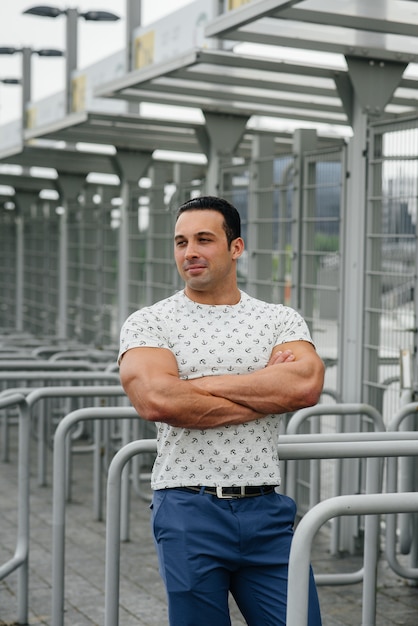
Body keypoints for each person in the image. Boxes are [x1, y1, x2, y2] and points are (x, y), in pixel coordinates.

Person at [118, 195, 325, 626]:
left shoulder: (278, 319)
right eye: (180, 242)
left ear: (236, 247)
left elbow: (304, 386)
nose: (189, 251)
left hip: (266, 510)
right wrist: (265, 388)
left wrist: (194, 388)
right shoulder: (149, 322)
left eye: (204, 239)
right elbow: (156, 400)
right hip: (188, 508)